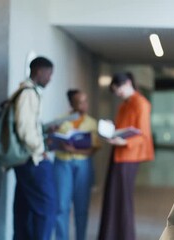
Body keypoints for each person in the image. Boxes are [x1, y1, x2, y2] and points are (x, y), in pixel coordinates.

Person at [98, 72, 155, 240]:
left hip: (129, 156)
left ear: (128, 83)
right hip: (118, 153)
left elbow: (143, 135)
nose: (118, 93)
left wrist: (125, 143)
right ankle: (110, 234)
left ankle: (124, 235)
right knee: (112, 196)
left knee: (122, 198)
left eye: (119, 89)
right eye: (116, 91)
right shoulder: (124, 105)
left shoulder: (141, 103)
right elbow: (123, 127)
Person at [13, 56, 56, 240]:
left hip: (25, 160)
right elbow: (24, 128)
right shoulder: (28, 93)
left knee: (24, 209)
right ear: (39, 72)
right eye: (49, 74)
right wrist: (40, 150)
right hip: (33, 159)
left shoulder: (22, 92)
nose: (50, 78)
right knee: (47, 209)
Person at [53, 89, 100, 240]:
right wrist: (59, 143)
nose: (83, 105)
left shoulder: (92, 123)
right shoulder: (60, 120)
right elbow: (51, 142)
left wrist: (74, 149)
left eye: (85, 101)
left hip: (83, 165)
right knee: (61, 206)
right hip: (62, 164)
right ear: (71, 103)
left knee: (81, 207)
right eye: (79, 102)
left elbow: (94, 148)